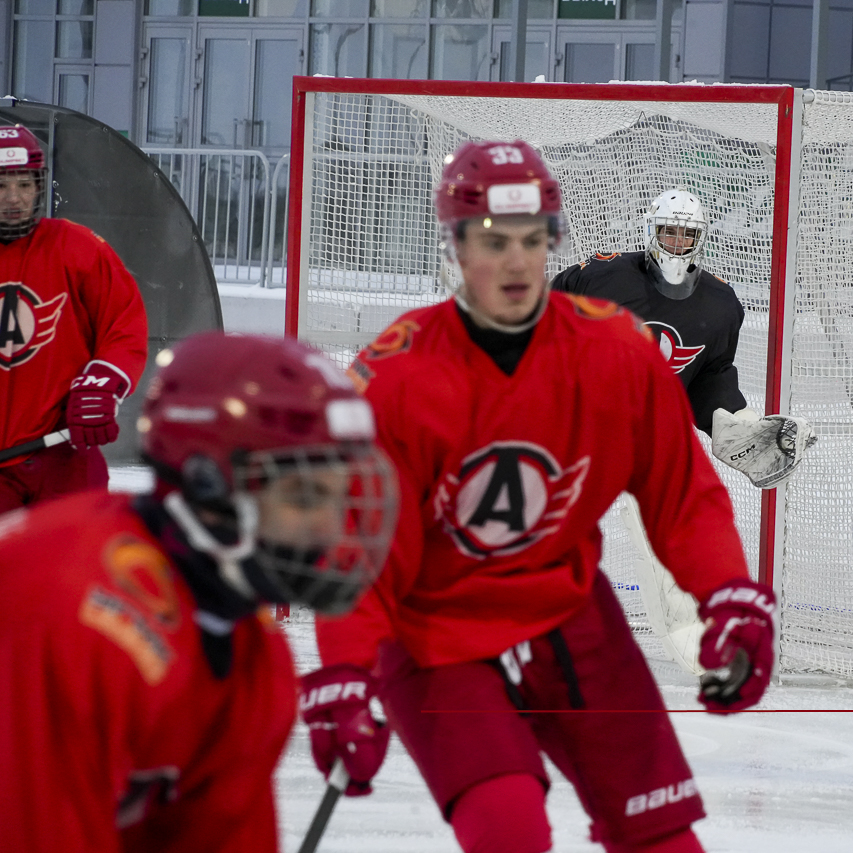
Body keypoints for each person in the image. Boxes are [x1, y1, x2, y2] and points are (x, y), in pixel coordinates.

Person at [302, 140, 777, 853]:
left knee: (664, 837)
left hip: (571, 614)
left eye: (532, 239)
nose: (516, 261)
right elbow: (361, 541)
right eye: (493, 239)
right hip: (438, 634)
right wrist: (344, 669)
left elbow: (682, 494)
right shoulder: (396, 374)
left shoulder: (615, 352)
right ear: (457, 245)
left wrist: (730, 592)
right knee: (508, 829)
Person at [0, 332, 398, 852]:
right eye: (304, 495)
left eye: (337, 494)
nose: (329, 525)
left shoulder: (255, 659)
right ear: (211, 483)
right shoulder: (71, 605)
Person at [551, 188, 814, 669]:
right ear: (650, 231)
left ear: (702, 237)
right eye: (668, 230)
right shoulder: (603, 276)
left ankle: (700, 647)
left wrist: (734, 425)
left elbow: (710, 379)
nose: (676, 241)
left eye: (687, 232)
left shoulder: (719, 304)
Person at [0, 124, 148, 511]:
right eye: (0, 186)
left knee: (78, 568)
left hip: (64, 459)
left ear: (38, 186)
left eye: (24, 184)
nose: (13, 198)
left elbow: (123, 326)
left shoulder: (77, 247)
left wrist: (103, 381)